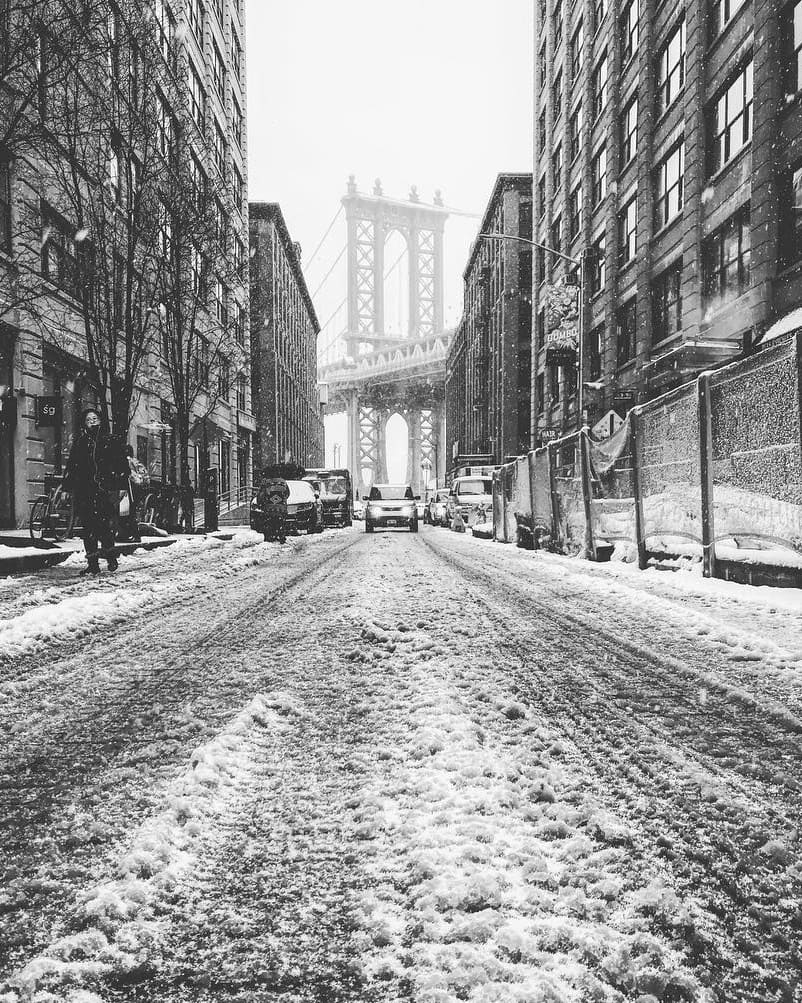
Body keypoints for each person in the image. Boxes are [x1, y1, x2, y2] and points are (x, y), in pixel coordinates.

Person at [63, 407, 129, 574]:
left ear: (100, 420)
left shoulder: (110, 440)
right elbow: (72, 466)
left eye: (94, 418)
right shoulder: (80, 442)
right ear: (84, 424)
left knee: (104, 526)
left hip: (104, 490)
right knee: (88, 528)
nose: (91, 421)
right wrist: (66, 488)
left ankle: (111, 556)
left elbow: (122, 465)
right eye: (88, 419)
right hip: (84, 491)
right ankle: (93, 564)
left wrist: (119, 486)